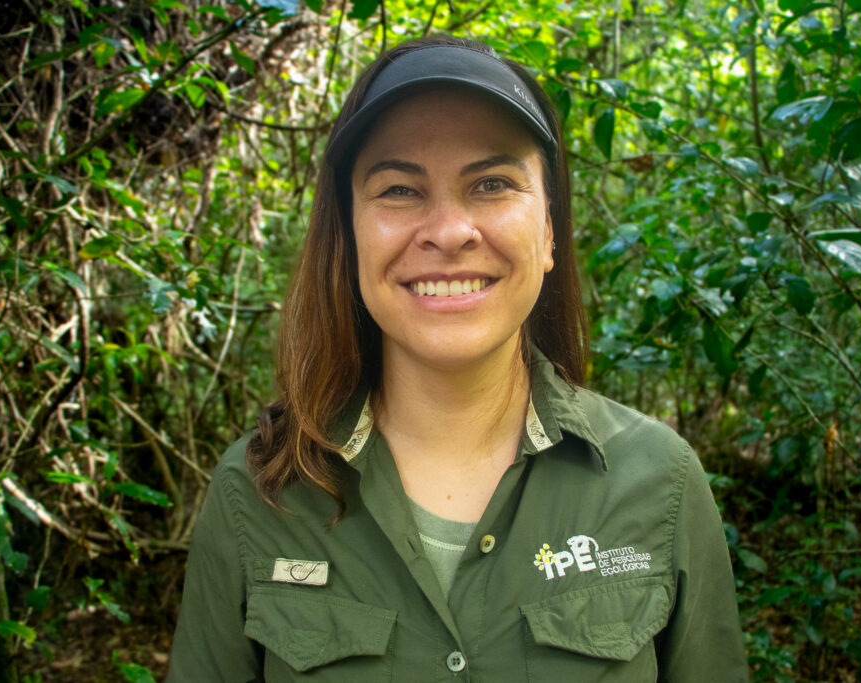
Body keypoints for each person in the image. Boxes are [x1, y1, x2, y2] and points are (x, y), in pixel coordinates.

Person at [168, 35, 747, 682]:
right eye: (398, 190)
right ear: (349, 233)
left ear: (550, 230)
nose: (449, 229)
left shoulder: (659, 482)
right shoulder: (258, 494)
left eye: (492, 183)